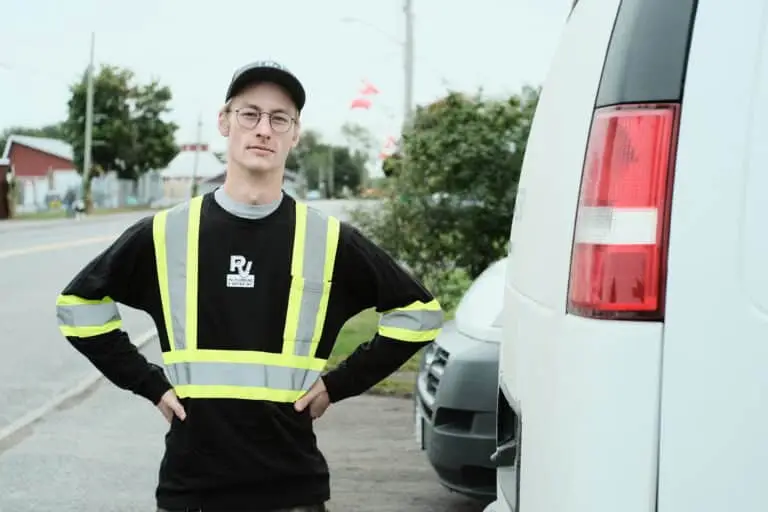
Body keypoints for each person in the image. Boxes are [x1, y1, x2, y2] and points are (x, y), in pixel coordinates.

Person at [55, 61, 444, 512]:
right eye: (250, 114)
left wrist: (339, 385)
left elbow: (420, 314)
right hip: (192, 487)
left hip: (291, 488)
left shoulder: (328, 240)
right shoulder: (166, 235)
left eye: (280, 119)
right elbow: (78, 304)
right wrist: (149, 384)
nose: (264, 129)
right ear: (224, 121)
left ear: (295, 134)